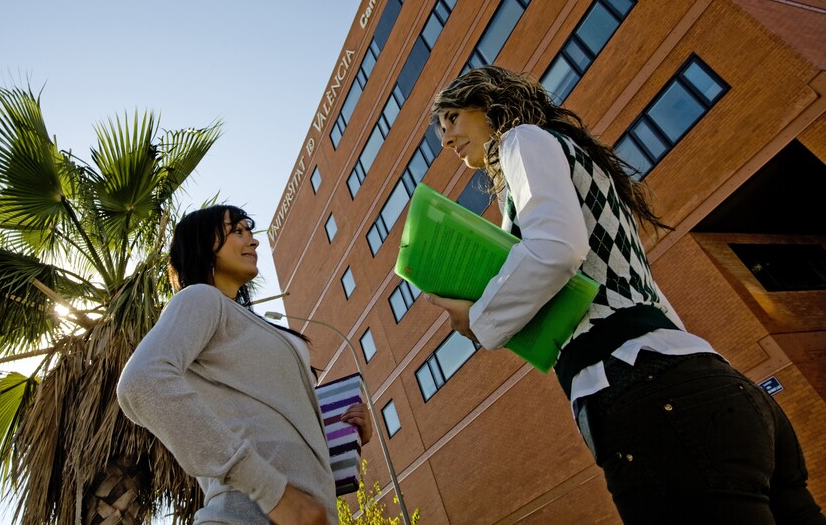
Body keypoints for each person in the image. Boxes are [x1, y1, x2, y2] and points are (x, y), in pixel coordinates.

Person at [426, 66, 824, 524]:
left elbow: (556, 250)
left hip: (648, 397)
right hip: (717, 389)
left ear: (489, 102)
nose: (447, 140)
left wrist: (478, 320)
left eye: (452, 119)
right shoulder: (576, 158)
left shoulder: (521, 140)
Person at [117, 204, 371, 525]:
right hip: (246, 513)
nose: (253, 241)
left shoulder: (250, 325)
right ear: (203, 244)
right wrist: (272, 491)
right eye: (237, 231)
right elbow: (142, 383)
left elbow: (271, 422)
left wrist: (342, 432)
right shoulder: (201, 298)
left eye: (249, 232)